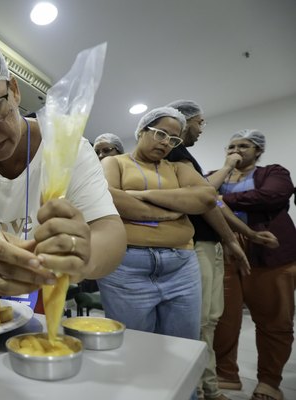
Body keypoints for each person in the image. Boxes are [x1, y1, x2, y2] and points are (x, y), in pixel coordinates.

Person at [0, 32, 126, 312]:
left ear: (15, 91)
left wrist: (85, 254)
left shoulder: (68, 147)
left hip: (38, 272)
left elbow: (110, 231)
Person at [165, 100, 277, 400]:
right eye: (200, 123)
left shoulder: (190, 160)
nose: (202, 129)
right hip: (196, 245)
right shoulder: (174, 152)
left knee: (212, 318)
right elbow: (205, 197)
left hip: (212, 245)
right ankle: (203, 387)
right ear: (184, 120)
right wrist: (227, 168)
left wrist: (244, 233)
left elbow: (214, 202)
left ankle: (208, 385)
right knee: (201, 320)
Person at [98, 106, 216, 343]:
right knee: (134, 346)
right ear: (142, 130)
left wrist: (142, 194)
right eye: (160, 134)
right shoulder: (114, 163)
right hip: (126, 266)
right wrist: (174, 210)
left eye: (173, 139)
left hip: (181, 265)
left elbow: (207, 198)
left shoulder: (179, 168)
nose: (165, 143)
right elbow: (110, 198)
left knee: (183, 345)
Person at [207, 130, 296, 400]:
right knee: (223, 317)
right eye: (231, 145)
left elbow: (272, 197)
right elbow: (200, 196)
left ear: (258, 151)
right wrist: (223, 173)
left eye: (244, 145)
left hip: (268, 250)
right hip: (225, 249)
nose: (236, 150)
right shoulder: (217, 174)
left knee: (273, 319)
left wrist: (221, 201)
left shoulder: (273, 172)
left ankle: (269, 381)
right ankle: (226, 373)